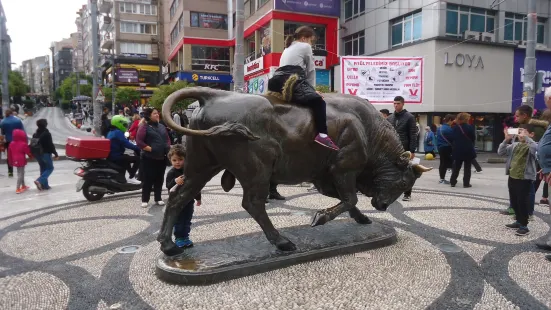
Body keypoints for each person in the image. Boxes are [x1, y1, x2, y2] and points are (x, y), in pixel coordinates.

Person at [267, 26, 339, 151]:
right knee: (319, 102)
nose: (311, 44)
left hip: (275, 82)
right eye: (311, 40)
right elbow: (311, 70)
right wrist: (313, 90)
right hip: (291, 80)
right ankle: (322, 135)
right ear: (304, 38)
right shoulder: (305, 46)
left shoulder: (287, 48)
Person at [498, 124, 537, 236]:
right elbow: (501, 152)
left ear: (531, 134)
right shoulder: (515, 145)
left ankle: (524, 225)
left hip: (524, 178)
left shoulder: (532, 145)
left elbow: (535, 149)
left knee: (522, 201)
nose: (521, 135)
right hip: (512, 176)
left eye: (523, 132)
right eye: (519, 132)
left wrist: (527, 138)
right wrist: (506, 140)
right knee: (514, 200)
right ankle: (519, 221)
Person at [165, 145, 202, 248]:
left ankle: (185, 237)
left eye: (180, 159)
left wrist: (198, 198)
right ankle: (179, 238)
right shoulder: (171, 173)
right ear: (170, 160)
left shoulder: (189, 171)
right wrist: (175, 181)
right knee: (179, 220)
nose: (177, 162)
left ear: (185, 159)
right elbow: (168, 186)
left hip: (188, 201)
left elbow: (194, 186)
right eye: (174, 160)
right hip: (177, 201)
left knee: (187, 220)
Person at [136, 108, 171, 208]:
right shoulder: (144, 127)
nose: (157, 115)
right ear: (149, 115)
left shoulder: (161, 126)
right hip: (149, 158)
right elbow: (139, 142)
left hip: (162, 157)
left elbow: (167, 139)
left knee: (159, 179)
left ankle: (158, 198)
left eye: (157, 113)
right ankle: (145, 199)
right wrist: (151, 149)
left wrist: (167, 146)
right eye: (154, 113)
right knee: (148, 179)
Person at [386, 96, 417, 201]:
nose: (396, 105)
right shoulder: (390, 118)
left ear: (403, 104)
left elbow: (413, 134)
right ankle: (392, 192)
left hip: (405, 149)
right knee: (391, 171)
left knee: (406, 171)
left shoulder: (410, 117)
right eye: (394, 103)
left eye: (398, 103)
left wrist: (412, 150)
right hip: (392, 149)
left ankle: (407, 193)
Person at [106, 115, 141, 184]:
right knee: (138, 159)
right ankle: (131, 177)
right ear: (119, 123)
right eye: (124, 124)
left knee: (126, 158)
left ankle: (130, 177)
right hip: (116, 156)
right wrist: (138, 148)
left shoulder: (111, 131)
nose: (125, 126)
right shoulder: (117, 132)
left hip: (113, 155)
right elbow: (126, 144)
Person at [449, 112, 476, 188]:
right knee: (467, 167)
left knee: (456, 167)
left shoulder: (455, 128)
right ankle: (466, 183)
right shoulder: (470, 127)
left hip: (458, 149)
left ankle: (453, 182)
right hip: (468, 149)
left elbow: (452, 138)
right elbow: (473, 138)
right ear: (466, 119)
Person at [32, 119, 59, 190]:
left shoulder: (35, 134)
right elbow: (50, 145)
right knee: (50, 168)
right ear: (45, 125)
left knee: (43, 168)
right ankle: (39, 180)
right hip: (45, 153)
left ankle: (45, 186)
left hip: (37, 154)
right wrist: (55, 153)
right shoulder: (47, 134)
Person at [0, 109, 24, 177]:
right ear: (12, 113)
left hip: (8, 141)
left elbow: (3, 133)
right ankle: (20, 170)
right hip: (18, 141)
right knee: (19, 155)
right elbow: (22, 131)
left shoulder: (3, 122)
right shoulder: (18, 120)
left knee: (9, 156)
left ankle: (10, 172)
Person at [8, 129, 32, 194]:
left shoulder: (11, 143)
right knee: (20, 174)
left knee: (21, 172)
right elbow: (28, 152)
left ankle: (23, 185)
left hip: (14, 159)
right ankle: (18, 188)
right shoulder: (23, 144)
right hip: (21, 160)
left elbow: (9, 153)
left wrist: (10, 161)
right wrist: (31, 156)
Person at [436, 114, 455, 184]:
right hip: (447, 147)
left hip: (440, 148)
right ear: (450, 120)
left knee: (442, 163)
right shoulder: (449, 129)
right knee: (452, 163)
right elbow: (453, 140)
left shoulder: (439, 128)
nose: (453, 122)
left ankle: (441, 178)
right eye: (452, 121)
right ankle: (452, 179)